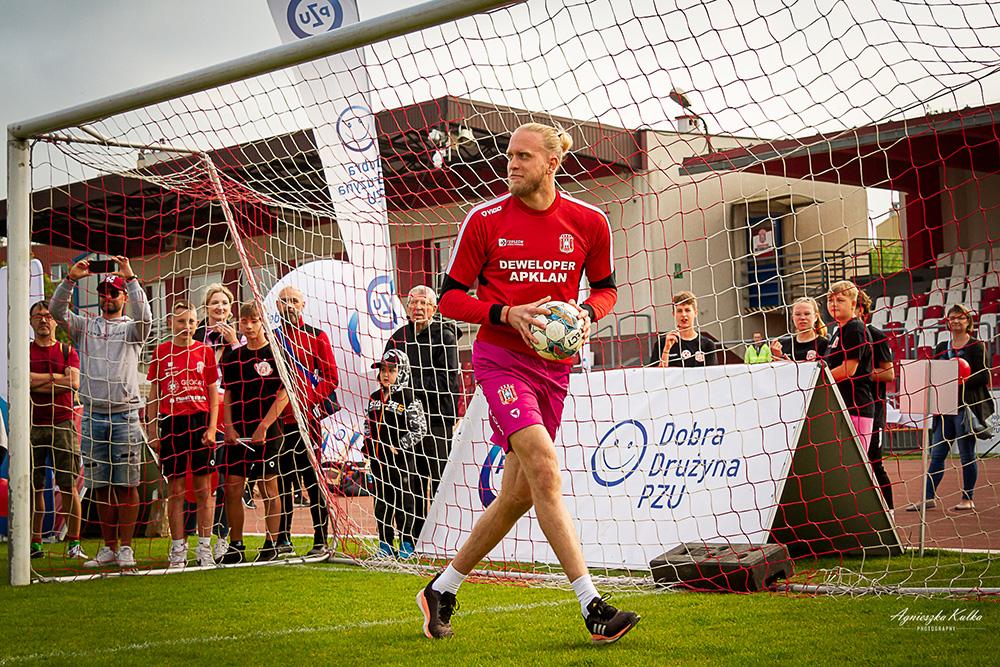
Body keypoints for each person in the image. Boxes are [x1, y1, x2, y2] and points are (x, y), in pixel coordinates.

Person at [417, 122, 639, 644]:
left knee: (517, 496)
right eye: (509, 156)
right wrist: (505, 313)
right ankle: (592, 606)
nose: (511, 164)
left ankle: (442, 588)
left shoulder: (590, 221)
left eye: (523, 156)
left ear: (552, 163)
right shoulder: (484, 219)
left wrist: (586, 314)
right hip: (500, 361)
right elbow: (449, 298)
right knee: (543, 466)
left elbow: (606, 289)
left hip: (554, 369)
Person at [50, 257, 152, 569]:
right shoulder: (85, 327)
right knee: (100, 485)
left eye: (114, 292)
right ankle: (108, 547)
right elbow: (56, 312)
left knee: (127, 484)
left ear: (123, 297)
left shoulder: (132, 329)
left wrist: (131, 278)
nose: (108, 296)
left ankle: (126, 547)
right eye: (103, 292)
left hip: (125, 415)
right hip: (93, 415)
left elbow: (146, 317)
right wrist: (70, 279)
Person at [146, 301, 220, 567]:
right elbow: (154, 395)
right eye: (180, 321)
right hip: (173, 423)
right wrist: (152, 430)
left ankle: (204, 548)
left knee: (203, 490)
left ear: (197, 324)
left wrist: (212, 428)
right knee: (175, 490)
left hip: (200, 423)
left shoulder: (205, 351)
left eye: (190, 322)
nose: (186, 326)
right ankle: (178, 549)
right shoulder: (161, 352)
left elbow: (213, 394)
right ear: (170, 323)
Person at [384, 285, 461, 541]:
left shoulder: (445, 337)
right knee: (412, 482)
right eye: (413, 303)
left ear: (434, 309)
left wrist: (409, 385)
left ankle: (443, 536)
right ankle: (414, 538)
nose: (418, 308)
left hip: (436, 420)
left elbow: (447, 382)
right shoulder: (397, 338)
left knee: (439, 479)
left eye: (423, 304)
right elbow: (387, 377)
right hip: (406, 422)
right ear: (407, 308)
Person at [217, 302, 288, 563]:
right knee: (232, 489)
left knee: (268, 487)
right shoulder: (234, 356)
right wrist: (229, 426)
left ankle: (271, 543)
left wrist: (264, 426)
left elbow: (284, 394)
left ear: (263, 322)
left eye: (254, 321)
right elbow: (229, 394)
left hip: (268, 432)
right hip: (239, 433)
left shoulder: (276, 353)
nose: (248, 326)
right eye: (244, 321)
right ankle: (236, 545)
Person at [273, 285, 340, 558]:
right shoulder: (272, 337)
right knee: (282, 481)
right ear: (277, 306)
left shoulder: (316, 335)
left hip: (307, 421)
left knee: (312, 480)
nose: (289, 305)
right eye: (284, 301)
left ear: (303, 305)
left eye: (294, 300)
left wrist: (308, 400)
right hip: (278, 422)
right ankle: (282, 537)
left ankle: (320, 538)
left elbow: (331, 377)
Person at [908, 303, 989, 512]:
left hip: (965, 408)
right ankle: (928, 498)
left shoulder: (976, 346)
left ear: (968, 321)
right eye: (952, 317)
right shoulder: (942, 347)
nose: (956, 321)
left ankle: (967, 498)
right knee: (937, 455)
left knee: (966, 455)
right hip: (944, 409)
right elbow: (936, 374)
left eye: (960, 317)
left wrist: (960, 380)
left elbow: (984, 376)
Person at [28, 300, 86, 561]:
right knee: (34, 487)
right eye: (38, 316)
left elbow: (73, 382)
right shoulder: (25, 352)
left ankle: (74, 543)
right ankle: (35, 542)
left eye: (48, 316)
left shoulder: (66, 350)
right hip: (32, 425)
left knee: (68, 486)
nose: (43, 320)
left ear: (55, 321)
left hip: (63, 424)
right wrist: (56, 379)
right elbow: (25, 381)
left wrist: (39, 381)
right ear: (30, 321)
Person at [195, 284, 243, 561]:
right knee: (200, 479)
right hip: (199, 408)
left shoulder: (239, 336)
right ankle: (195, 540)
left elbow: (244, 369)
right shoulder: (196, 334)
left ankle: (223, 537)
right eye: (215, 303)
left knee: (226, 478)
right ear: (207, 307)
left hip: (229, 411)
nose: (220, 307)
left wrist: (233, 342)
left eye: (224, 303)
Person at [364, 349, 427, 559]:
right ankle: (385, 543)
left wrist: (400, 446)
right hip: (378, 461)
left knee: (404, 502)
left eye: (391, 370)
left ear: (402, 371)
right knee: (382, 502)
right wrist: (367, 445)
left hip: (401, 462)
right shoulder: (374, 397)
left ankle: (407, 542)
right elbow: (367, 424)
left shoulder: (409, 398)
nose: (385, 374)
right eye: (383, 369)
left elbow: (420, 429)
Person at [823, 281, 875, 450]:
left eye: (840, 300)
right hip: (840, 406)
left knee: (855, 461)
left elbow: (848, 370)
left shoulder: (855, 328)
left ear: (853, 304)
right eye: (830, 300)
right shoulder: (838, 330)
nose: (834, 304)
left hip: (856, 407)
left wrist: (819, 382)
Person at [857, 291, 895, 512]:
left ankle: (889, 512)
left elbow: (889, 374)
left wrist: (859, 373)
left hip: (872, 409)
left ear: (861, 309)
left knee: (874, 463)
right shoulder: (838, 336)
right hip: (847, 409)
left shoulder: (876, 335)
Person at [653, 291, 719, 368]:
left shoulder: (707, 345)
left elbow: (712, 373)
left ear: (695, 313)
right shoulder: (662, 343)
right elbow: (655, 374)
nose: (683, 314)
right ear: (674, 314)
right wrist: (666, 350)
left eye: (687, 310)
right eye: (679, 311)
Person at [771, 297, 828, 362]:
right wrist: (778, 357)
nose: (802, 317)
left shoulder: (824, 344)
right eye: (798, 314)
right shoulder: (783, 345)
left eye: (807, 314)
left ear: (816, 317)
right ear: (793, 317)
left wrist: (791, 365)